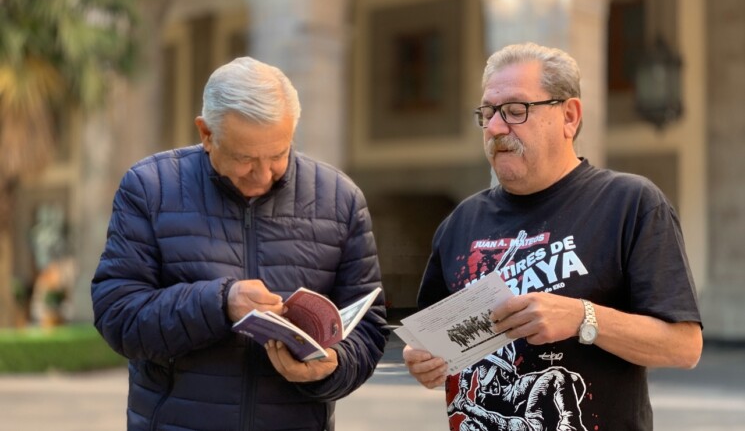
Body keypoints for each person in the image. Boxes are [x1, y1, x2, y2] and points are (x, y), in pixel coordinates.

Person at [402, 42, 702, 431]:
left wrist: (582, 317)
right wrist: (423, 361)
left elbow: (684, 346)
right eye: (488, 113)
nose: (495, 127)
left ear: (569, 116)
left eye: (515, 110)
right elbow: (431, 347)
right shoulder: (460, 222)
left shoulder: (630, 203)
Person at [92, 56, 388, 431]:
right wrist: (219, 304)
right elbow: (117, 316)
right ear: (206, 134)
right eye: (245, 158)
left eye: (279, 155)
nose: (263, 175)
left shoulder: (339, 199)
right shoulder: (150, 189)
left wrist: (333, 366)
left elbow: (369, 328)